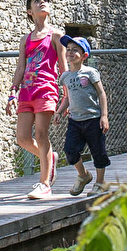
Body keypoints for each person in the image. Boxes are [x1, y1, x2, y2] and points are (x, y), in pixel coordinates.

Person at [6, 0, 63, 199]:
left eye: (45, 1)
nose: (42, 3)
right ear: (29, 11)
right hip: (26, 92)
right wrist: (12, 92)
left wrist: (67, 95)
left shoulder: (56, 36)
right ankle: (49, 157)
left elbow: (63, 68)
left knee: (41, 134)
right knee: (22, 138)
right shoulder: (26, 39)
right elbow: (20, 68)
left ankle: (45, 184)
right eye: (37, 1)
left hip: (46, 89)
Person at [55, 35, 110, 196]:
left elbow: (101, 93)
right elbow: (67, 97)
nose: (70, 53)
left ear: (84, 55)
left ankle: (100, 183)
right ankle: (83, 175)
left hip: (93, 119)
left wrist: (104, 116)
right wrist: (59, 111)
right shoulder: (65, 76)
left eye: (75, 50)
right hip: (75, 121)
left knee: (98, 151)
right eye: (68, 50)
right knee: (70, 150)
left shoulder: (90, 73)